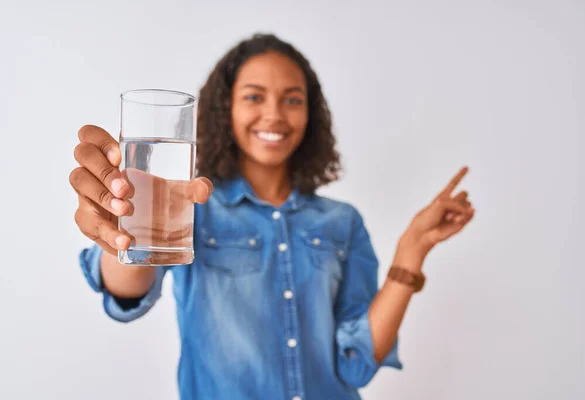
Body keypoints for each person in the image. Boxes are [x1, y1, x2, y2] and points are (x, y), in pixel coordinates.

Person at [70, 33, 475, 400]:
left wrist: (412, 249)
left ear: (310, 115)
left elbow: (358, 361)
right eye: (254, 96)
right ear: (224, 109)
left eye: (292, 99)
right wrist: (121, 223)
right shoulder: (192, 206)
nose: (275, 114)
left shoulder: (342, 222)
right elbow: (125, 291)